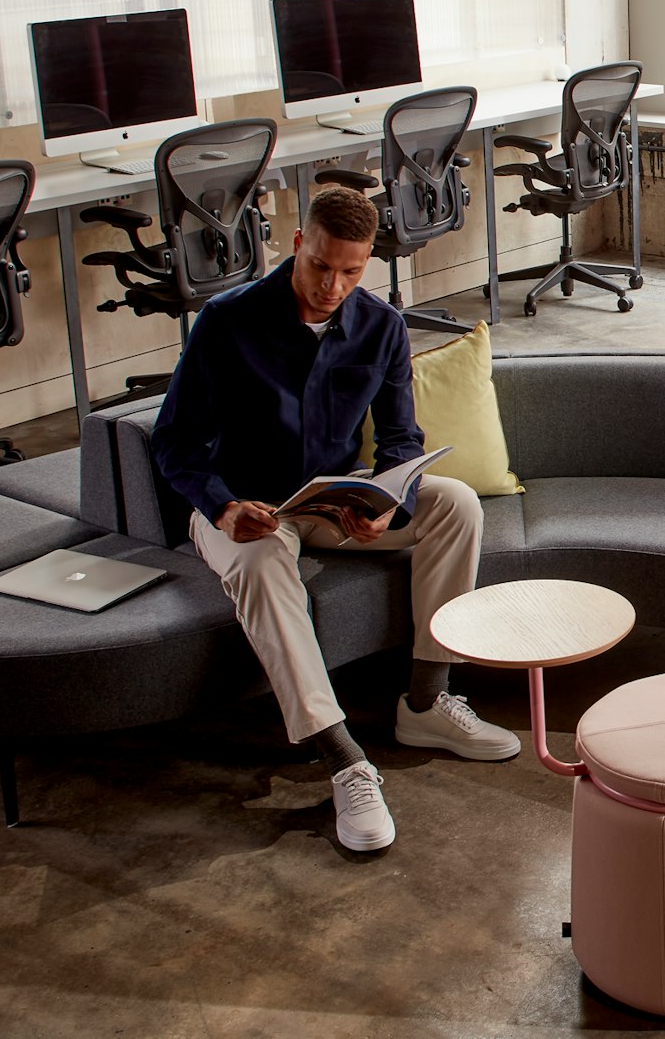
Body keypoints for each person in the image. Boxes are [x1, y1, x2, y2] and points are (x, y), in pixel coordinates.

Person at [151, 185, 520, 854]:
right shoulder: (226, 321)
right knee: (264, 561)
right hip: (243, 512)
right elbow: (173, 442)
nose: (333, 284)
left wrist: (387, 504)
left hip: (330, 504)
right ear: (298, 243)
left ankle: (425, 702)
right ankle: (346, 761)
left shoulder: (379, 325)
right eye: (321, 266)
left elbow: (402, 436)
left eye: (351, 272)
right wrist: (223, 505)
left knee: (456, 505)